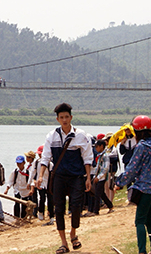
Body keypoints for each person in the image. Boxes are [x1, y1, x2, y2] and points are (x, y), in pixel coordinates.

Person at [37, 102, 93, 254]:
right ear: (57, 119)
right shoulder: (51, 136)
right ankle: (63, 243)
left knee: (76, 206)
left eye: (67, 117)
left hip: (76, 176)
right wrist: (40, 176)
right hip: (59, 177)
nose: (64, 120)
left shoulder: (81, 135)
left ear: (71, 117)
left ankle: (73, 233)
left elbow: (88, 158)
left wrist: (88, 178)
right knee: (58, 208)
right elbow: (45, 158)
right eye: (61, 117)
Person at [115, 115, 151, 254]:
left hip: (145, 188)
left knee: (139, 221)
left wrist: (119, 183)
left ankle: (142, 251)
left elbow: (132, 168)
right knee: (149, 219)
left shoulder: (141, 147)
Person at [85, 139, 114, 216]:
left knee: (97, 194)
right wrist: (95, 177)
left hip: (102, 178)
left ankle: (95, 211)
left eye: (97, 147)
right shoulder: (100, 155)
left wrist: (99, 177)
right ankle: (110, 206)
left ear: (101, 146)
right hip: (98, 177)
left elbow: (105, 168)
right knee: (101, 194)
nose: (96, 148)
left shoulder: (105, 156)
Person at [4, 154, 31, 218]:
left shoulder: (28, 172)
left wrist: (31, 189)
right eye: (17, 163)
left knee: (24, 205)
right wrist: (7, 189)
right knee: (16, 204)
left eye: (20, 163)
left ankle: (23, 218)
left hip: (25, 191)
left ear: (24, 163)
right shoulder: (15, 172)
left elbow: (31, 181)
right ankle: (16, 217)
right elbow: (10, 181)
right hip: (17, 190)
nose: (19, 165)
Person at [33, 145, 54, 225]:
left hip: (49, 184)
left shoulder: (50, 163)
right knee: (42, 199)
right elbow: (33, 172)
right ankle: (41, 215)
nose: (39, 155)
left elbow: (52, 174)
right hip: (41, 184)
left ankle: (51, 216)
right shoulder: (37, 162)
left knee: (50, 200)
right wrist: (31, 182)